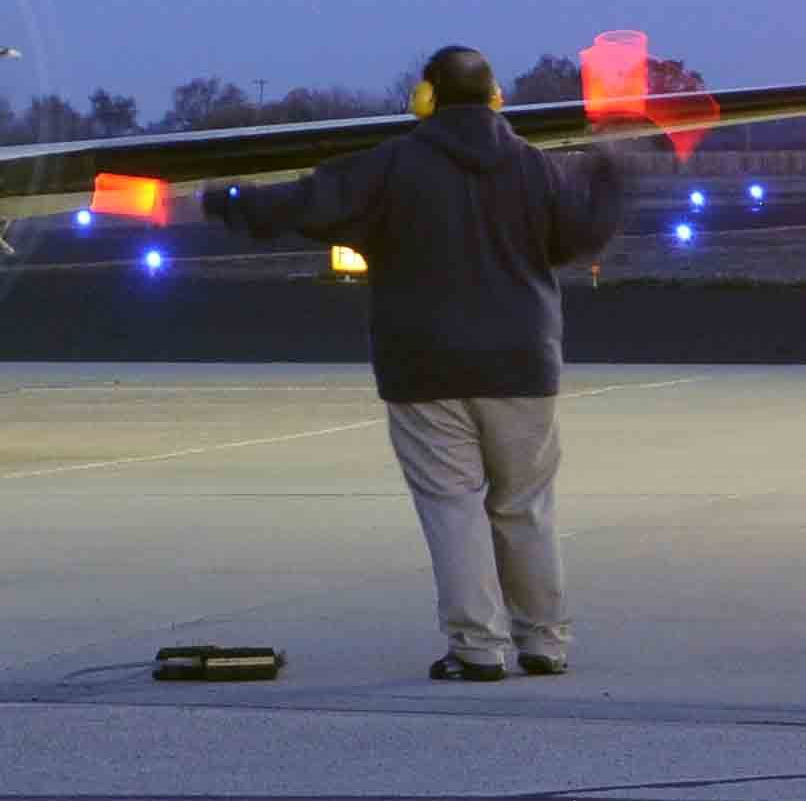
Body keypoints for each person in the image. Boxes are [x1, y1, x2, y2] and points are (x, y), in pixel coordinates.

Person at [203, 45, 624, 683]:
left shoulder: (388, 168)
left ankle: (478, 648)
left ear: (423, 99)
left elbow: (303, 204)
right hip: (522, 367)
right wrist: (616, 169)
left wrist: (231, 199)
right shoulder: (536, 170)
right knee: (525, 507)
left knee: (453, 508)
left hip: (424, 368)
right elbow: (584, 232)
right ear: (497, 98)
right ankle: (545, 641)